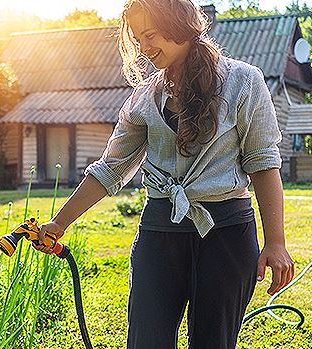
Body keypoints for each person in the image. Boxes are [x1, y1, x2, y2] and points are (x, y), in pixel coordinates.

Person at [34, 0, 295, 348]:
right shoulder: (145, 97)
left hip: (227, 235)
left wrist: (275, 242)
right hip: (159, 234)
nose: (143, 48)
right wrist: (59, 222)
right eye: (138, 39)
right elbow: (110, 169)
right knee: (147, 340)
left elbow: (263, 164)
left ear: (179, 25)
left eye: (150, 35)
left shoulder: (244, 82)